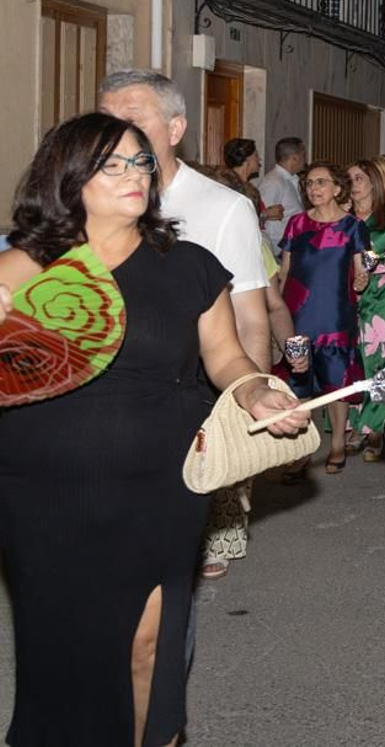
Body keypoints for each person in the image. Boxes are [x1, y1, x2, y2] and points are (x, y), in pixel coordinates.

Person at [0, 114, 308, 747]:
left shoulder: (188, 264)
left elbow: (225, 357)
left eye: (141, 162)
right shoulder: (26, 265)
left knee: (150, 641)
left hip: (160, 482)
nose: (134, 175)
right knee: (63, 648)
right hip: (46, 491)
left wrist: (255, 390)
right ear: (68, 176)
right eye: (112, 164)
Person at [98, 71, 272, 580]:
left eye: (132, 120)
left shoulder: (223, 208)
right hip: (102, 403)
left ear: (175, 129)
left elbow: (249, 317)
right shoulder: (84, 202)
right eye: (104, 120)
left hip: (189, 392)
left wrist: (252, 406)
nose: (116, 134)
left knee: (170, 559)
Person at [279, 161, 371, 474]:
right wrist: (276, 312)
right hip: (298, 313)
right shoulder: (296, 224)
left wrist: (362, 281)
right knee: (298, 382)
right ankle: (301, 448)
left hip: (335, 313)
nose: (314, 189)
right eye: (309, 183)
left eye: (321, 182)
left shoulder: (352, 226)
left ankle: (337, 444)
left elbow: (361, 272)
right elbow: (285, 271)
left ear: (337, 188)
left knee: (336, 379)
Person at [348, 159, 385, 459]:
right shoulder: (342, 218)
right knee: (353, 359)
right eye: (350, 179)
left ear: (374, 183)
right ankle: (355, 424)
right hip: (347, 296)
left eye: (359, 178)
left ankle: (376, 426)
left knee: (382, 359)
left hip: (381, 294)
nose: (354, 184)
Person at [257, 137, 306, 255]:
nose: (305, 160)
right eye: (303, 155)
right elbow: (264, 218)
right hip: (278, 250)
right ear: (294, 158)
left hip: (290, 247)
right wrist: (276, 251)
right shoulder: (273, 182)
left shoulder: (289, 180)